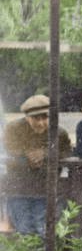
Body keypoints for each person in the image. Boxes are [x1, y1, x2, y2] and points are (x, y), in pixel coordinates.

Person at [4, 95, 72, 236]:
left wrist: (46, 153)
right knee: (24, 230)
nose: (41, 123)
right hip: (19, 190)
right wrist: (26, 157)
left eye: (45, 117)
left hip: (45, 190)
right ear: (27, 117)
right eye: (36, 118)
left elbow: (67, 152)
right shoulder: (13, 129)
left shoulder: (59, 133)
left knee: (43, 231)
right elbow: (7, 152)